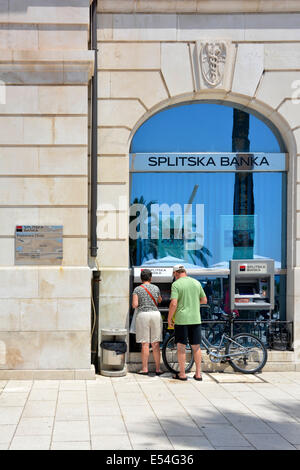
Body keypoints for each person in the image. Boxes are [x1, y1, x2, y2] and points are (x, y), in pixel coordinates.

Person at [168, 265, 207, 381]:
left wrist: (169, 319)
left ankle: (182, 374)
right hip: (195, 319)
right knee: (196, 347)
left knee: (181, 347)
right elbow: (204, 300)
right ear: (185, 271)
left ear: (175, 273)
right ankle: (198, 374)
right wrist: (193, 304)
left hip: (181, 320)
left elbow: (174, 303)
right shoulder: (196, 282)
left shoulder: (176, 284)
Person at [132, 269, 164, 375]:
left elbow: (135, 305)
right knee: (155, 343)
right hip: (155, 314)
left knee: (145, 344)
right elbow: (159, 300)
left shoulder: (137, 289)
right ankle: (158, 369)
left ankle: (145, 369)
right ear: (150, 278)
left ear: (141, 278)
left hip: (143, 315)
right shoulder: (156, 288)